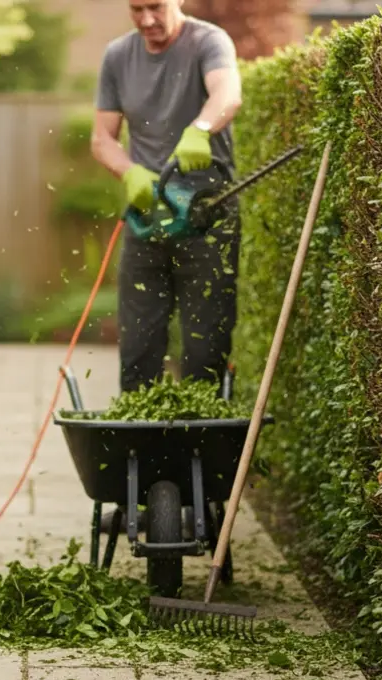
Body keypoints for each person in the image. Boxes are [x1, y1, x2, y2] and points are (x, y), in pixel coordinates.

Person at [91, 0, 243, 393]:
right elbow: (102, 138)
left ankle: (202, 443)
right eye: (136, 9)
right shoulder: (118, 55)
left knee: (204, 347)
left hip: (206, 215)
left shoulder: (209, 41)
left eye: (156, 7)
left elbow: (228, 93)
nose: (147, 20)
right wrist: (129, 172)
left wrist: (201, 129)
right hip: (147, 218)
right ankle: (142, 446)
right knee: (139, 347)